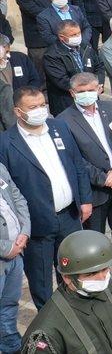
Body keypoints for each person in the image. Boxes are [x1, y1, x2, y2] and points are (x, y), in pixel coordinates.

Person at [0, 87, 91, 309]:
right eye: (33, 107)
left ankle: (75, 313)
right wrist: (22, 227)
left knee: (74, 271)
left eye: (42, 105)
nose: (40, 110)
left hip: (70, 216)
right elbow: (8, 190)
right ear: (18, 111)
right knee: (41, 281)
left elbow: (77, 165)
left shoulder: (60, 127)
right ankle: (49, 320)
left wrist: (85, 199)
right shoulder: (6, 143)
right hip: (37, 224)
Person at [57, 72, 112, 283]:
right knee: (95, 234)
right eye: (81, 91)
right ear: (72, 93)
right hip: (94, 190)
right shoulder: (63, 120)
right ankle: (97, 272)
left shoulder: (110, 108)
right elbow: (75, 160)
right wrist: (103, 179)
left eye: (91, 90)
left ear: (99, 89)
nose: (87, 94)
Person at [19, 230, 112, 353]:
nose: (102, 277)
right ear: (67, 278)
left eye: (105, 269)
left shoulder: (110, 290)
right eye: (91, 274)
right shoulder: (47, 332)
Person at [0, 161, 27, 353]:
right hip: (7, 252)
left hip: (16, 254)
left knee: (9, 305)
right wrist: (6, 248)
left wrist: (25, 231)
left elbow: (18, 198)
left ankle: (10, 346)